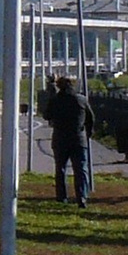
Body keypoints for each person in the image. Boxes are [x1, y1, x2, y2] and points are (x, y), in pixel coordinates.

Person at [47, 74, 93, 204]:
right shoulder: (81, 100)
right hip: (78, 138)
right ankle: (82, 196)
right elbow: (90, 118)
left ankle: (62, 197)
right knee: (81, 168)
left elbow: (46, 115)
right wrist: (88, 133)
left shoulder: (55, 100)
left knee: (60, 168)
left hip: (60, 138)